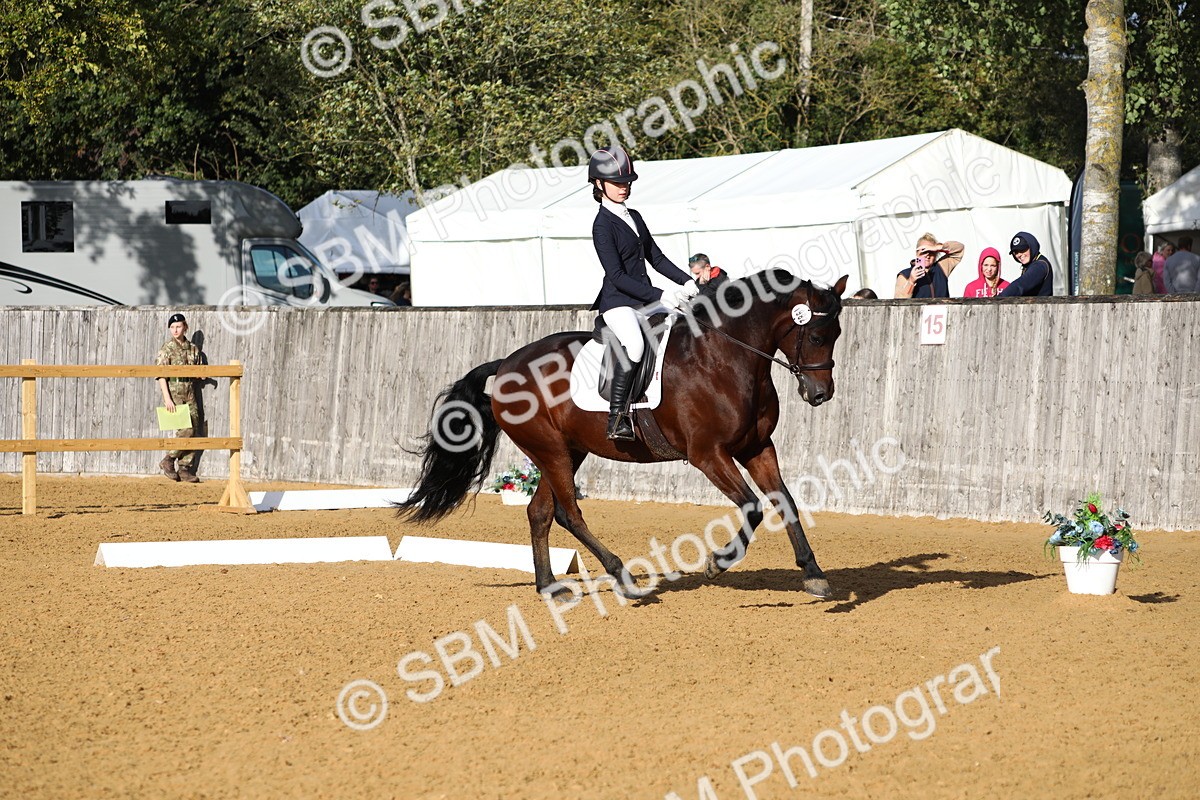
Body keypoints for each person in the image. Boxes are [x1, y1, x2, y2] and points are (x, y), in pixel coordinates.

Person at [589, 145, 697, 440]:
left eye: (627, 183)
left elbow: (656, 257)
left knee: (684, 326)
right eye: (617, 183)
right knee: (635, 345)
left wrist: (687, 282)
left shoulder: (633, 216)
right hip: (618, 302)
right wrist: (661, 295)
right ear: (599, 184)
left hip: (644, 298)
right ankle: (617, 417)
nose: (624, 188)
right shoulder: (602, 226)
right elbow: (617, 277)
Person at [155, 313, 206, 482]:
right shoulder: (167, 348)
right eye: (172, 327)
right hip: (175, 391)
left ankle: (185, 467)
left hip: (190, 390)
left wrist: (203, 376)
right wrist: (167, 398)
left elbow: (199, 371)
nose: (175, 330)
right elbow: (161, 375)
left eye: (178, 327)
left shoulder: (193, 349)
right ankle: (169, 459)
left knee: (195, 427)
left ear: (185, 327)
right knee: (186, 429)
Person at [894, 233, 964, 298]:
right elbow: (898, 302)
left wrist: (938, 247)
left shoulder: (941, 267)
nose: (927, 255)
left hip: (941, 311)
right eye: (924, 251)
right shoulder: (905, 275)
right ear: (917, 253)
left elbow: (959, 249)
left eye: (931, 252)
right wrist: (911, 282)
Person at [996, 231, 1054, 297]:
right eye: (1016, 252)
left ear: (1032, 246)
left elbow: (1020, 286)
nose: (1020, 254)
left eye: (1023, 249)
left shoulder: (1040, 266)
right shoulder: (1030, 264)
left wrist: (998, 299)